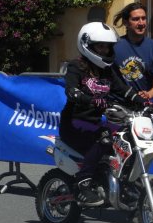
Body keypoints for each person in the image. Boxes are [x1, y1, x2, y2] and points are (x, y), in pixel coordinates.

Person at [59, 22, 147, 206]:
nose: (105, 50)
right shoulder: (76, 67)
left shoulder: (107, 70)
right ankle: (84, 182)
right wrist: (90, 100)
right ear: (87, 45)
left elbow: (124, 90)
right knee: (104, 139)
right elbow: (72, 91)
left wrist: (143, 101)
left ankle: (124, 183)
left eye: (107, 46)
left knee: (126, 138)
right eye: (100, 46)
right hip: (74, 122)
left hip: (95, 123)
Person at [113, 2, 153, 100]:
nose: (141, 23)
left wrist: (148, 94)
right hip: (117, 104)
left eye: (143, 18)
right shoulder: (113, 47)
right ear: (126, 22)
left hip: (145, 106)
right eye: (136, 19)